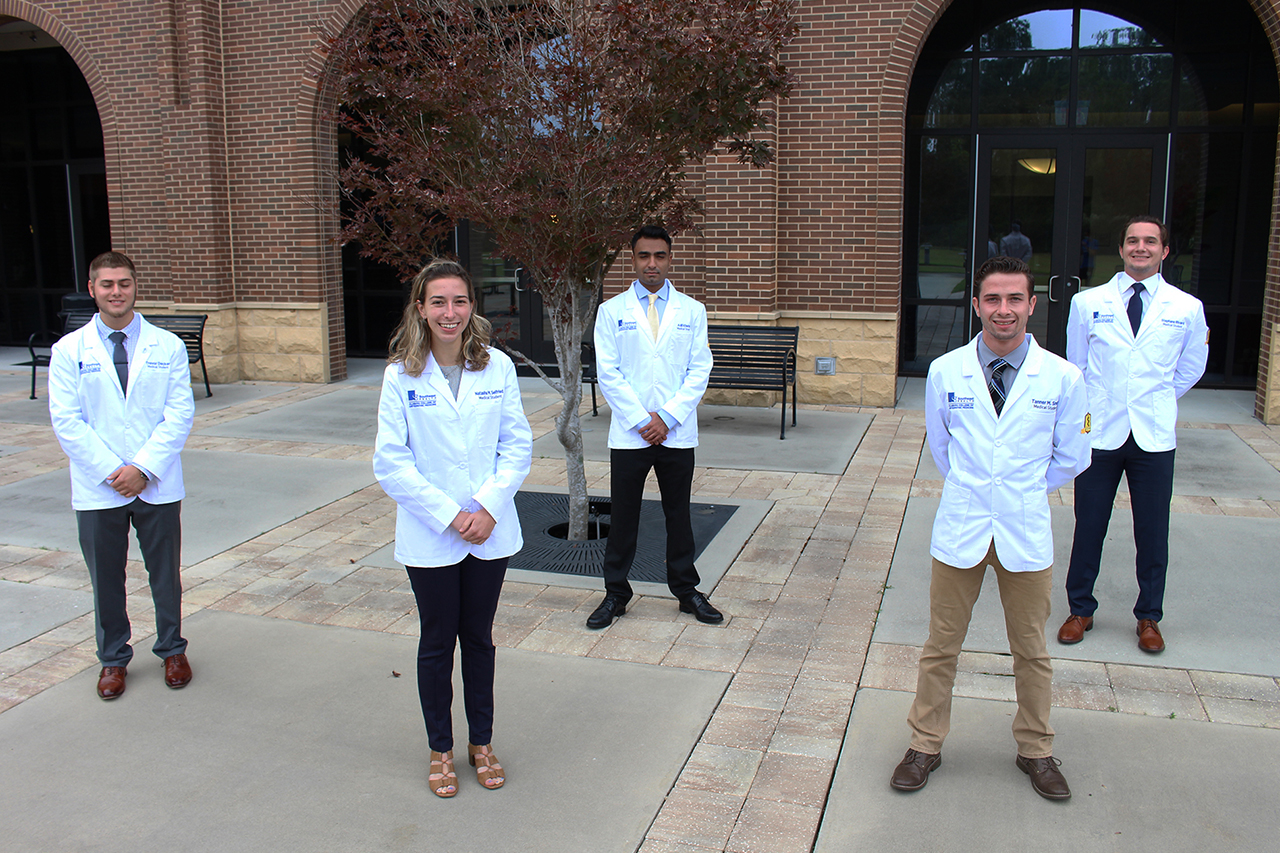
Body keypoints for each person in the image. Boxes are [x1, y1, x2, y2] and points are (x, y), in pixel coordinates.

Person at [890, 256, 1091, 800]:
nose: (1005, 309)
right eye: (994, 299)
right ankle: (924, 744)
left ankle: (1036, 750)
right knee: (941, 646)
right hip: (963, 526)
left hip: (1024, 528)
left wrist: (1019, 488)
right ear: (977, 305)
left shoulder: (1063, 377)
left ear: (1032, 304)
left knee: (1031, 650)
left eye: (1015, 298)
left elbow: (1073, 454)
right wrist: (980, 486)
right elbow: (943, 448)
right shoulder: (944, 371)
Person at [373, 259, 532, 798]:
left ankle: (480, 742)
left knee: (479, 640)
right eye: (438, 301)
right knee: (438, 642)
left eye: (459, 301)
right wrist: (450, 515)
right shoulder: (400, 375)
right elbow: (391, 463)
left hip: (489, 530)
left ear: (471, 307)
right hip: (431, 532)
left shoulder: (497, 367)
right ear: (420, 308)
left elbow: (517, 445)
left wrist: (486, 507)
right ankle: (440, 747)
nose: (450, 312)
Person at [48, 251, 196, 700]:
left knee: (165, 575)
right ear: (92, 289)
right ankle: (113, 658)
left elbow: (179, 414)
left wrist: (143, 469)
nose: (117, 292)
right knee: (106, 578)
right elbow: (67, 421)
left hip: (156, 483)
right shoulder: (69, 350)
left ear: (135, 287)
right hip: (99, 486)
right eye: (107, 284)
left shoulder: (166, 345)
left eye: (124, 283)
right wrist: (115, 472)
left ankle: (172, 649)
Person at [1057, 216, 1208, 653]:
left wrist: (1155, 397)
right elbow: (1076, 366)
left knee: (1153, 531)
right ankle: (1080, 609)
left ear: (1164, 251)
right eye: (1132, 241)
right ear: (1121, 249)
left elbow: (1191, 367)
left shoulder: (1186, 308)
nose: (1141, 247)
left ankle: (1149, 617)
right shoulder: (1088, 303)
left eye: (1150, 241)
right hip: (1101, 434)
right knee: (1089, 525)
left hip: (1153, 438)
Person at [586, 225, 720, 629]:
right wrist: (644, 420)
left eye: (660, 256)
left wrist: (668, 417)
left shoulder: (692, 310)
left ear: (670, 259)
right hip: (632, 433)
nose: (652, 264)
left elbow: (700, 369)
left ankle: (686, 590)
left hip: (676, 433)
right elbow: (608, 373)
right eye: (644, 256)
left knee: (679, 515)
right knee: (624, 516)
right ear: (633, 259)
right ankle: (616, 593)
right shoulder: (612, 311)